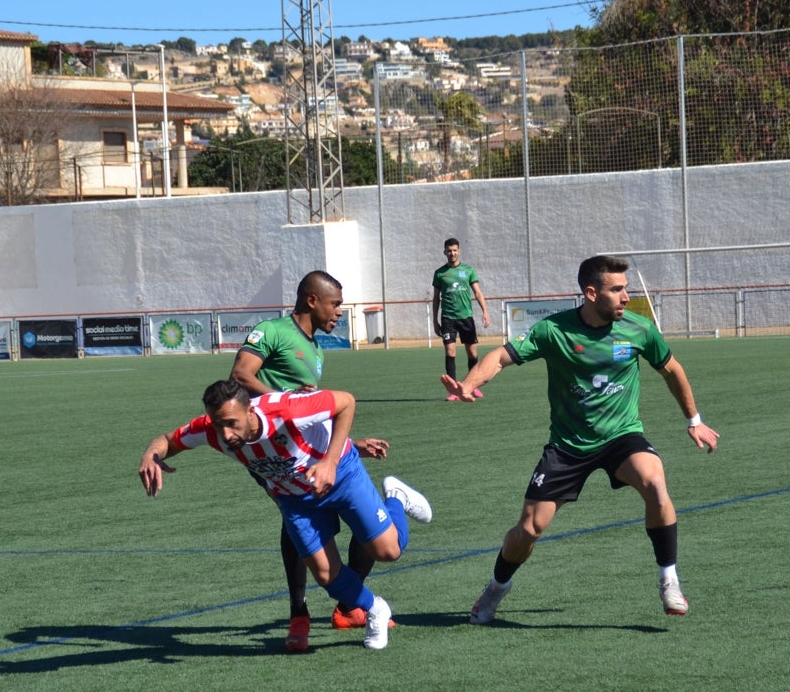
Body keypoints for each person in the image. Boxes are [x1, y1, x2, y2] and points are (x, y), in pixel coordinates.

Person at [441, 255, 719, 624]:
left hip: (622, 437)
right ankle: (495, 588)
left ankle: (669, 579)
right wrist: (468, 385)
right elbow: (501, 358)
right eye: (617, 289)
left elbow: (671, 369)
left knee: (655, 481)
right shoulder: (553, 331)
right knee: (528, 529)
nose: (626, 296)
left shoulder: (639, 329)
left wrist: (694, 420)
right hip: (568, 446)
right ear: (591, 293)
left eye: (626, 288)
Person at [138, 379, 433, 650]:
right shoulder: (211, 430)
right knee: (326, 574)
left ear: (249, 411)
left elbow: (346, 401)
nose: (225, 434)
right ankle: (375, 609)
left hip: (341, 475)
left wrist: (329, 463)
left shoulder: (287, 411)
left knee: (389, 551)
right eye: (217, 425)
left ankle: (396, 497)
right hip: (294, 499)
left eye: (231, 423)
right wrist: (150, 457)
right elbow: (166, 440)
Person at [230, 270, 390, 652]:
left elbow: (309, 419)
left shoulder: (316, 348)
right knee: (295, 519)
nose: (339, 312)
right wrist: (284, 403)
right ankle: (299, 612)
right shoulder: (272, 331)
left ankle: (350, 603)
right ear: (312, 300)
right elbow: (239, 374)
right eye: (335, 304)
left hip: (307, 452)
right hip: (268, 452)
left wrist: (350, 443)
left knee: (358, 518)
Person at [432, 237, 491, 401]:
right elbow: (436, 298)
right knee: (450, 351)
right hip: (448, 318)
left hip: (466, 317)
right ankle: (453, 391)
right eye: (449, 251)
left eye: (455, 250)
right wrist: (435, 321)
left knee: (472, 353)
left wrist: (485, 312)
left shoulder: (469, 270)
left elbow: (478, 293)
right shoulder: (440, 273)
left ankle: (473, 386)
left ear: (459, 251)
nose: (452, 253)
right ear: (445, 252)